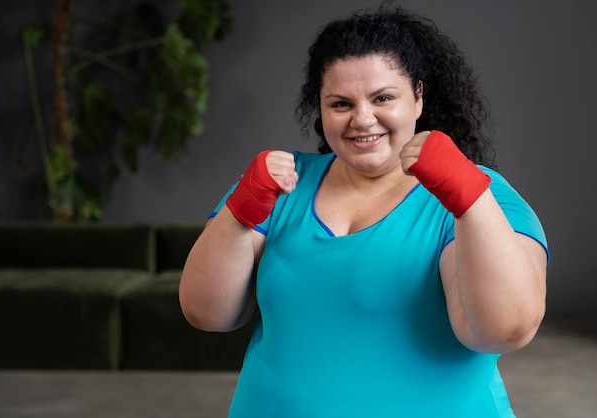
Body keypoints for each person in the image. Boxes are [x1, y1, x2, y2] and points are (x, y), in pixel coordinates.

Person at [179, 3, 549, 417]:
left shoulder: (482, 195)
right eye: (341, 104)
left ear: (418, 97)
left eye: (383, 97)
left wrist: (467, 195)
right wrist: (241, 209)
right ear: (320, 107)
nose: (362, 119)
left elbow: (506, 329)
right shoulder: (278, 184)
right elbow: (205, 313)